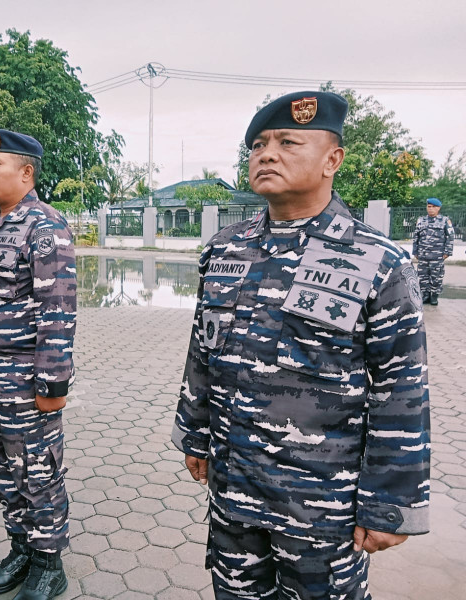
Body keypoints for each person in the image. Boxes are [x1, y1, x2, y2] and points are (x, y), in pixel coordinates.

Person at [172, 92, 430, 599]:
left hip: (321, 509)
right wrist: (194, 433)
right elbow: (203, 352)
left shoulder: (375, 259)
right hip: (234, 490)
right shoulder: (226, 249)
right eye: (259, 145)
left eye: (288, 142)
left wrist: (389, 503)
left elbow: (401, 389)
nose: (267, 154)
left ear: (332, 159)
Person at [0, 129, 76, 600]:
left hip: (25, 383)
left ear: (26, 172)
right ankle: (21, 549)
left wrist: (52, 383)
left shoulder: (44, 226)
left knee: (37, 472)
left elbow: (59, 308)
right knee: (0, 471)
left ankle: (50, 564)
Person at [413, 197, 455, 305]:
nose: (430, 209)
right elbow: (416, 237)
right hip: (423, 256)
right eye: (429, 206)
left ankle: (434, 296)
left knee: (436, 277)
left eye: (433, 207)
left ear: (438, 208)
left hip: (437, 256)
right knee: (423, 277)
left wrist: (447, 253)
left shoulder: (445, 221)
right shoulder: (421, 220)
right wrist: (415, 252)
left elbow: (450, 237)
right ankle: (425, 296)